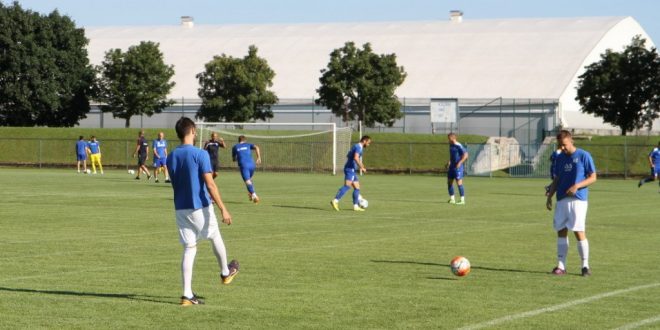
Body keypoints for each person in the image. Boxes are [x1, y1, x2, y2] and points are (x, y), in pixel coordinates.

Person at [166, 117, 239, 306]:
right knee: (214, 235)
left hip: (181, 208)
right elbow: (211, 184)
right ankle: (225, 272)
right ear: (192, 131)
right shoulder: (201, 154)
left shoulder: (171, 156)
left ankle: (186, 295)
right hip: (200, 205)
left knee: (189, 248)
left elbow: (175, 183)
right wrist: (224, 209)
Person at [545, 130, 597, 277]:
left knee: (578, 232)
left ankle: (585, 266)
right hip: (561, 199)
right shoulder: (560, 158)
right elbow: (557, 179)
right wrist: (550, 195)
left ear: (571, 140)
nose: (562, 148)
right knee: (561, 230)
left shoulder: (583, 155)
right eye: (560, 145)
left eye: (564, 145)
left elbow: (593, 177)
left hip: (578, 199)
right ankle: (561, 266)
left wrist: (577, 186)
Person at [331, 135, 372, 212]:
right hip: (350, 169)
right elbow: (356, 158)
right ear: (364, 141)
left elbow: (350, 155)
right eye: (368, 143)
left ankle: (356, 206)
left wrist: (362, 166)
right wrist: (361, 167)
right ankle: (335, 200)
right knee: (347, 186)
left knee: (357, 188)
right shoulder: (358, 147)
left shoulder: (356, 146)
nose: (368, 145)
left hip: (351, 169)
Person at [232, 135, 262, 203]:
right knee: (250, 179)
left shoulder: (235, 147)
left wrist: (238, 157)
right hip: (252, 164)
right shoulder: (248, 144)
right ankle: (250, 194)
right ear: (245, 140)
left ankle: (254, 195)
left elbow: (234, 159)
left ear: (239, 140)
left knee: (247, 181)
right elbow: (257, 147)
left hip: (244, 165)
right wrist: (259, 157)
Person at [446, 133, 468, 205]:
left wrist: (460, 162)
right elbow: (452, 155)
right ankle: (452, 199)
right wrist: (449, 162)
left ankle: (462, 200)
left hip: (457, 167)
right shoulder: (450, 145)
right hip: (451, 166)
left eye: (449, 138)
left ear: (453, 138)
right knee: (449, 182)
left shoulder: (458, 145)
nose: (448, 139)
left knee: (459, 183)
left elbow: (466, 155)